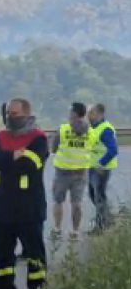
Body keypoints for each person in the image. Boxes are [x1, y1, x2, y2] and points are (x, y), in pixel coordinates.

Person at [0, 98, 50, 289]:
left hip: (29, 206)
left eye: (15, 113)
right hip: (2, 205)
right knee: (3, 254)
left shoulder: (38, 138)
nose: (10, 117)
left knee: (34, 254)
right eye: (8, 113)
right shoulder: (0, 136)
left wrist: (2, 160)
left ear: (27, 114)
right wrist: (12, 155)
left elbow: (29, 164)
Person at [50, 102, 94, 242]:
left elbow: (53, 149)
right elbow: (90, 148)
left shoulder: (63, 129)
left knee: (58, 201)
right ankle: (75, 231)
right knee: (77, 202)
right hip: (81, 172)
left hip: (62, 171)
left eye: (70, 111)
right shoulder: (91, 131)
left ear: (74, 113)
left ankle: (57, 229)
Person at [87, 103, 119, 233]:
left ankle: (101, 226)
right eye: (88, 112)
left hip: (101, 169)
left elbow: (113, 150)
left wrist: (101, 163)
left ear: (100, 114)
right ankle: (108, 219)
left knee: (99, 197)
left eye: (91, 113)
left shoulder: (105, 129)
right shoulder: (93, 128)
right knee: (93, 195)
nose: (88, 115)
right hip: (92, 167)